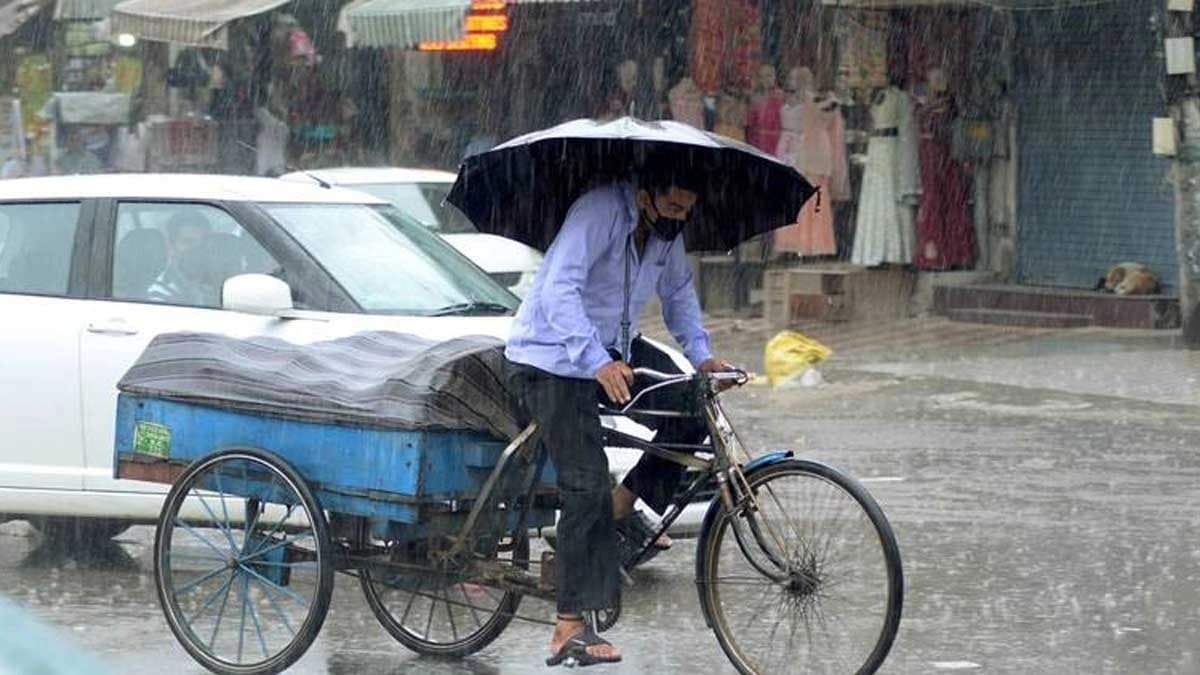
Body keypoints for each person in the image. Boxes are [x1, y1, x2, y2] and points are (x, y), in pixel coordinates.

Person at [504, 163, 734, 667]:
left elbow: (677, 297)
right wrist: (596, 361)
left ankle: (620, 508)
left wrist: (702, 357)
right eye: (673, 207)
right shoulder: (599, 211)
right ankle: (568, 626)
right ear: (647, 191)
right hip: (550, 359)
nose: (680, 217)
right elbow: (556, 291)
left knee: (694, 406)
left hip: (613, 352)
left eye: (687, 211)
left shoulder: (666, 234)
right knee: (582, 483)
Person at [147, 211, 214, 305]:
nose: (197, 248)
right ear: (171, 246)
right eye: (188, 242)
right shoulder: (160, 293)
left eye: (204, 242)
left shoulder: (218, 281)